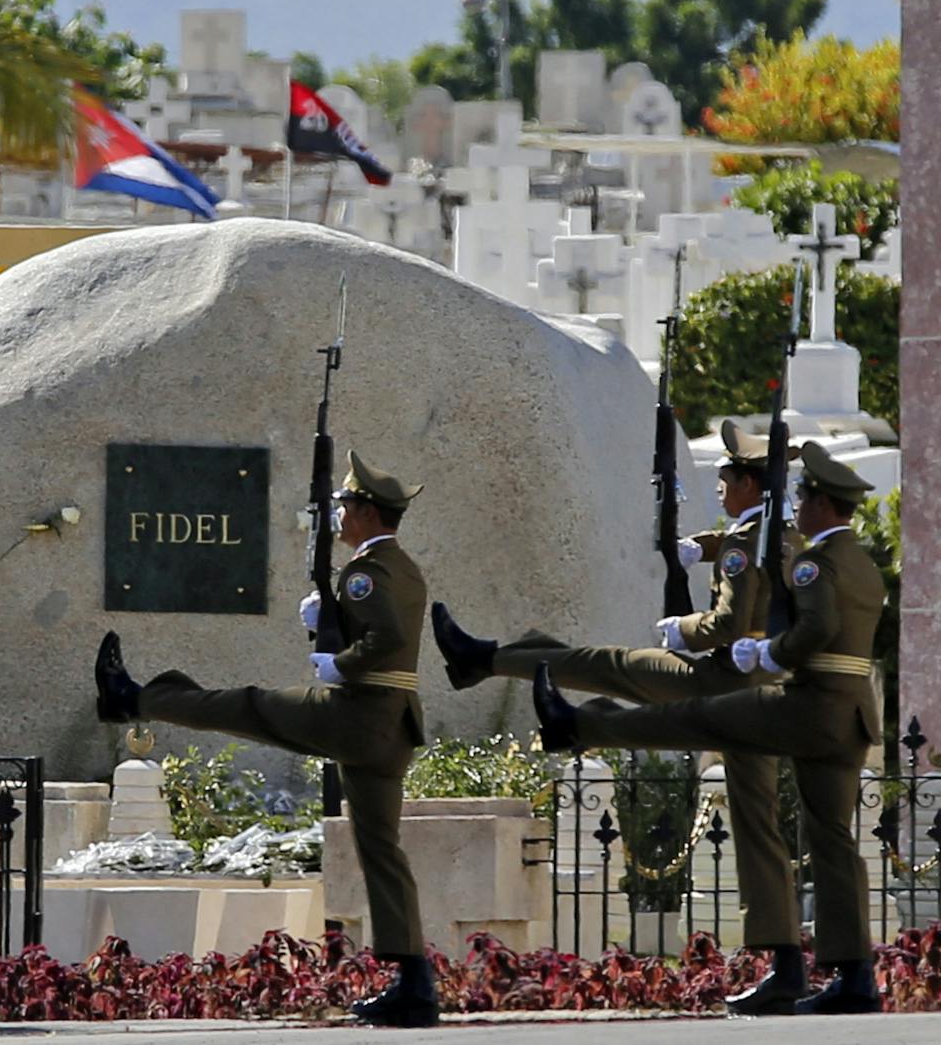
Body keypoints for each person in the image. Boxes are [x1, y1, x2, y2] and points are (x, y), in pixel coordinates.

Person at [433, 419, 808, 1014]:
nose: (718, 485)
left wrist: (681, 630)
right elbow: (754, 561)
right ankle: (787, 964)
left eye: (726, 477)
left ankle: (486, 660)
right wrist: (702, 546)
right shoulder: (784, 535)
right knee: (758, 828)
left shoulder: (746, 545)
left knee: (605, 664)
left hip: (716, 682)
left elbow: (729, 624)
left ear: (749, 484)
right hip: (763, 694)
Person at [514, 443, 882, 1016]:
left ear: (824, 504)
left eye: (806, 497)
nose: (799, 505)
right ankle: (856, 977)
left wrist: (763, 650)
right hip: (853, 713)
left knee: (699, 717)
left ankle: (579, 724)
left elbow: (814, 630)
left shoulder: (817, 563)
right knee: (833, 842)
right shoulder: (860, 562)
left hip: (809, 706)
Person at [93, 451, 437, 1028]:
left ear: (370, 513)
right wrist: (322, 622)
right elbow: (390, 635)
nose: (339, 513)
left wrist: (338, 664)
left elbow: (385, 638)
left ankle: (132, 699)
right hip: (393, 728)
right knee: (382, 851)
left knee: (244, 705)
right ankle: (415, 984)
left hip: (352, 716)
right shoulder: (404, 568)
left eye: (346, 504)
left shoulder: (362, 573)